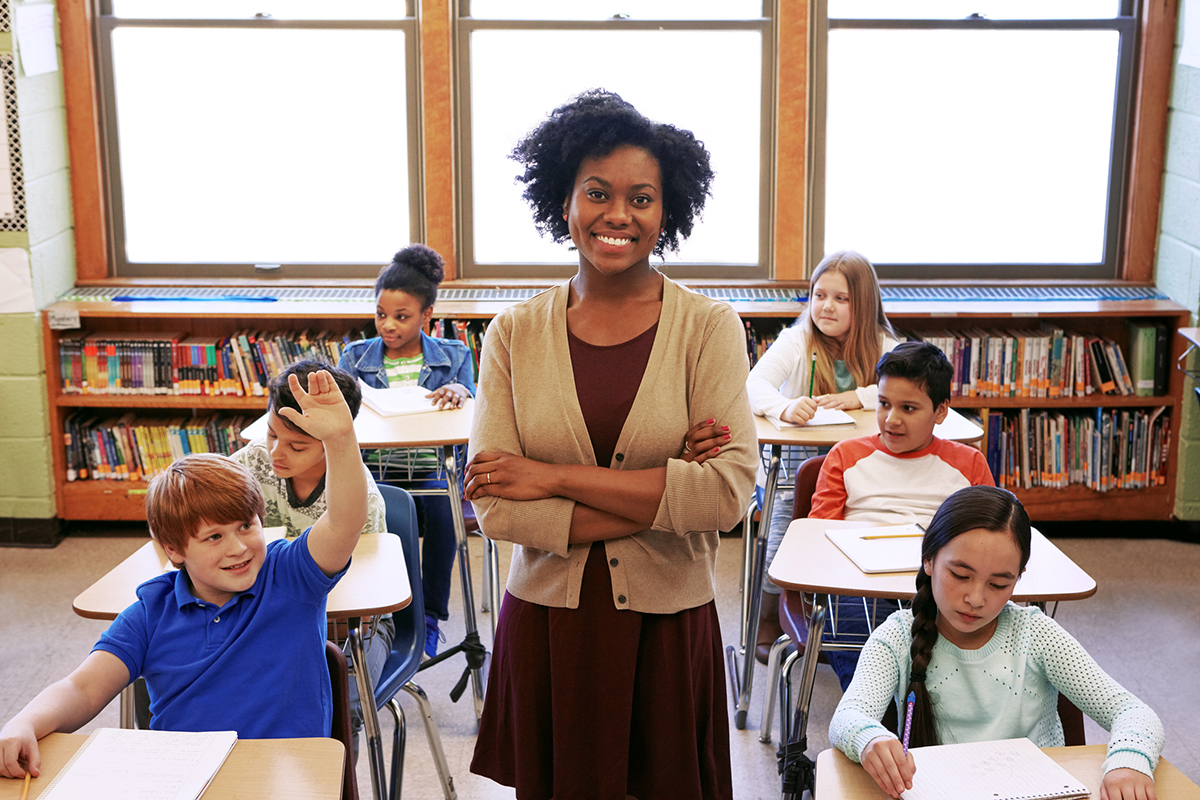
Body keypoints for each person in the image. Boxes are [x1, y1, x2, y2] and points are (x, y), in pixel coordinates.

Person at [463, 89, 758, 800]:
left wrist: (550, 475)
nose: (618, 214)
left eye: (642, 198)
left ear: (668, 210)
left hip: (668, 625)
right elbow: (498, 513)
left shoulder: (708, 328)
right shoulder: (513, 334)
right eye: (597, 192)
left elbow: (726, 496)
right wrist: (669, 488)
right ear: (563, 201)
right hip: (551, 628)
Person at [0, 370, 367, 779]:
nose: (238, 547)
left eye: (247, 526)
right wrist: (25, 722)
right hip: (186, 780)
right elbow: (82, 688)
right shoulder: (151, 612)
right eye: (213, 537)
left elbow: (343, 523)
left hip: (286, 775)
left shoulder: (289, 575)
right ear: (173, 550)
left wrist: (340, 440)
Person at [829, 485, 1164, 800]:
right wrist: (870, 737)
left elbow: (1132, 711)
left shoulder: (1036, 634)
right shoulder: (897, 637)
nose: (976, 599)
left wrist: (1129, 761)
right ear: (929, 560)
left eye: (999, 584)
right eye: (960, 575)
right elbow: (850, 715)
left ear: (1018, 578)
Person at [810, 340, 995, 688]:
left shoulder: (968, 464)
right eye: (883, 404)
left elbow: (991, 539)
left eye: (908, 408)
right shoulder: (845, 456)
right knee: (869, 661)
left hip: (940, 584)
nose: (891, 419)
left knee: (963, 655)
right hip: (857, 585)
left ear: (941, 412)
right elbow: (819, 539)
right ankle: (879, 726)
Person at [746, 250, 899, 663]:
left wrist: (860, 396)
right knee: (782, 524)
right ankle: (770, 615)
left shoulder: (883, 344)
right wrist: (783, 407)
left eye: (841, 299)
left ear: (863, 304)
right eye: (818, 295)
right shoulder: (798, 340)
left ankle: (851, 615)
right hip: (794, 471)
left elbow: (909, 389)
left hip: (860, 475)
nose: (826, 306)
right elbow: (753, 385)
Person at [229, 359, 388, 758]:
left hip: (347, 628)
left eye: (297, 446)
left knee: (336, 708)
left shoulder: (359, 502)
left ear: (330, 441)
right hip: (258, 614)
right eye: (270, 435)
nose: (276, 453)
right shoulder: (253, 462)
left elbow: (363, 605)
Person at [338, 243, 476, 658]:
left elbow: (473, 405)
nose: (388, 325)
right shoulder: (353, 356)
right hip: (373, 470)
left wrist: (460, 389)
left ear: (426, 316)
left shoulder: (455, 356)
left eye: (402, 317)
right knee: (381, 508)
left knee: (439, 510)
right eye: (381, 314)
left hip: (432, 468)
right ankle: (385, 616)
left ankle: (428, 617)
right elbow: (341, 413)